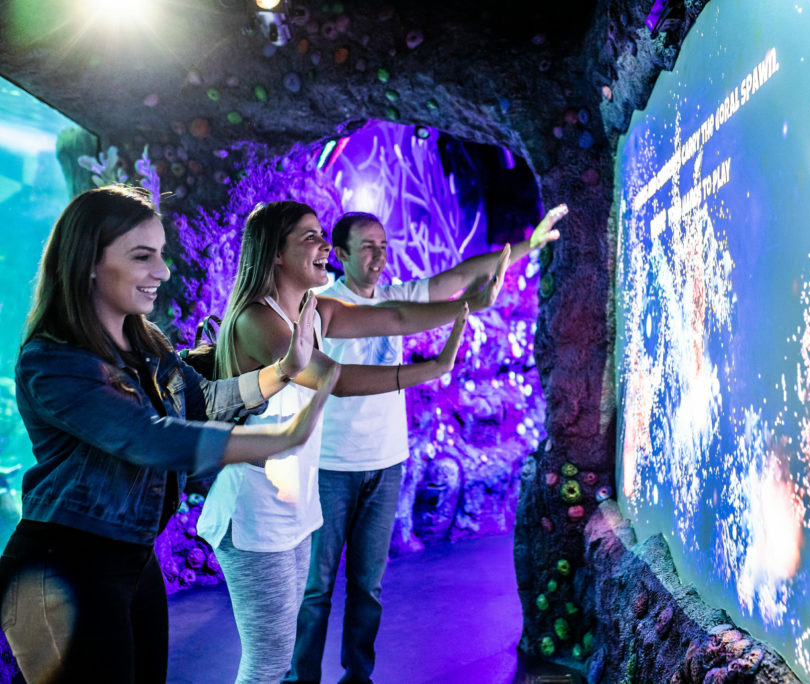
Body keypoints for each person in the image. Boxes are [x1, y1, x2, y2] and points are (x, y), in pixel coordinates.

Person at [0, 185, 335, 683]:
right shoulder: (54, 362)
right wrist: (272, 441)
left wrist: (285, 369)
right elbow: (147, 437)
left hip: (133, 560)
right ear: (88, 262)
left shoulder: (147, 345)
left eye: (160, 254)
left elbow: (206, 401)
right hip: (62, 569)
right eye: (142, 257)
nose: (162, 271)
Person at [197, 201, 509, 684]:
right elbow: (333, 379)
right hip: (253, 514)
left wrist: (467, 307)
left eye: (324, 235)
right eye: (309, 238)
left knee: (278, 656)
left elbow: (396, 318)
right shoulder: (256, 321)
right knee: (267, 662)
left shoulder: (316, 310)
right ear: (275, 255)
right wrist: (431, 369)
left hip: (293, 509)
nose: (324, 246)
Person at [287, 203, 568, 684]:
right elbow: (397, 319)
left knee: (368, 586)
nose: (379, 257)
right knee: (316, 587)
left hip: (386, 462)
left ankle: (358, 677)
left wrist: (529, 245)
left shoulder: (399, 294)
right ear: (340, 253)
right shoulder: (323, 305)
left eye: (384, 247)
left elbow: (459, 275)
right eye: (368, 248)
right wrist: (467, 309)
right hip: (329, 464)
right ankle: (301, 678)